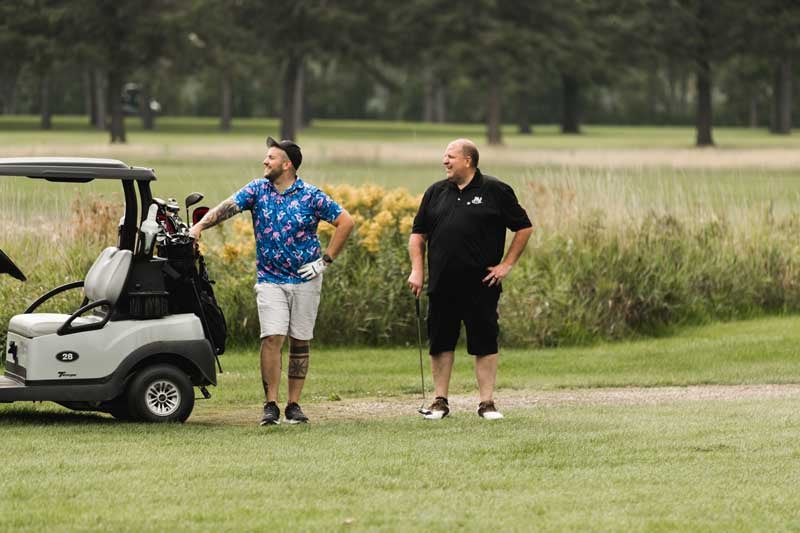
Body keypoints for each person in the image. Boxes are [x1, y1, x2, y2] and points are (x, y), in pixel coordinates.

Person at [190, 137, 354, 426]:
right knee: (272, 337)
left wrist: (324, 261)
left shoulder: (311, 195)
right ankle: (270, 405)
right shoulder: (257, 189)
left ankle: (293, 404)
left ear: (287, 164)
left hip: (306, 279)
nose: (265, 162)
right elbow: (228, 206)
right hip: (270, 279)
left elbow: (345, 222)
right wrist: (200, 225)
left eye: (271, 158)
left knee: (300, 341)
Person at [407, 139, 532, 420]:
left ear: (468, 160)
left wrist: (506, 265)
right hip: (442, 283)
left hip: (482, 284)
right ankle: (440, 401)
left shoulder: (495, 190)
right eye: (444, 156)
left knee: (485, 341)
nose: (445, 161)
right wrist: (418, 269)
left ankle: (486, 403)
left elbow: (524, 227)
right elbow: (418, 236)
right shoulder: (435, 192)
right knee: (440, 342)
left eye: (450, 156)